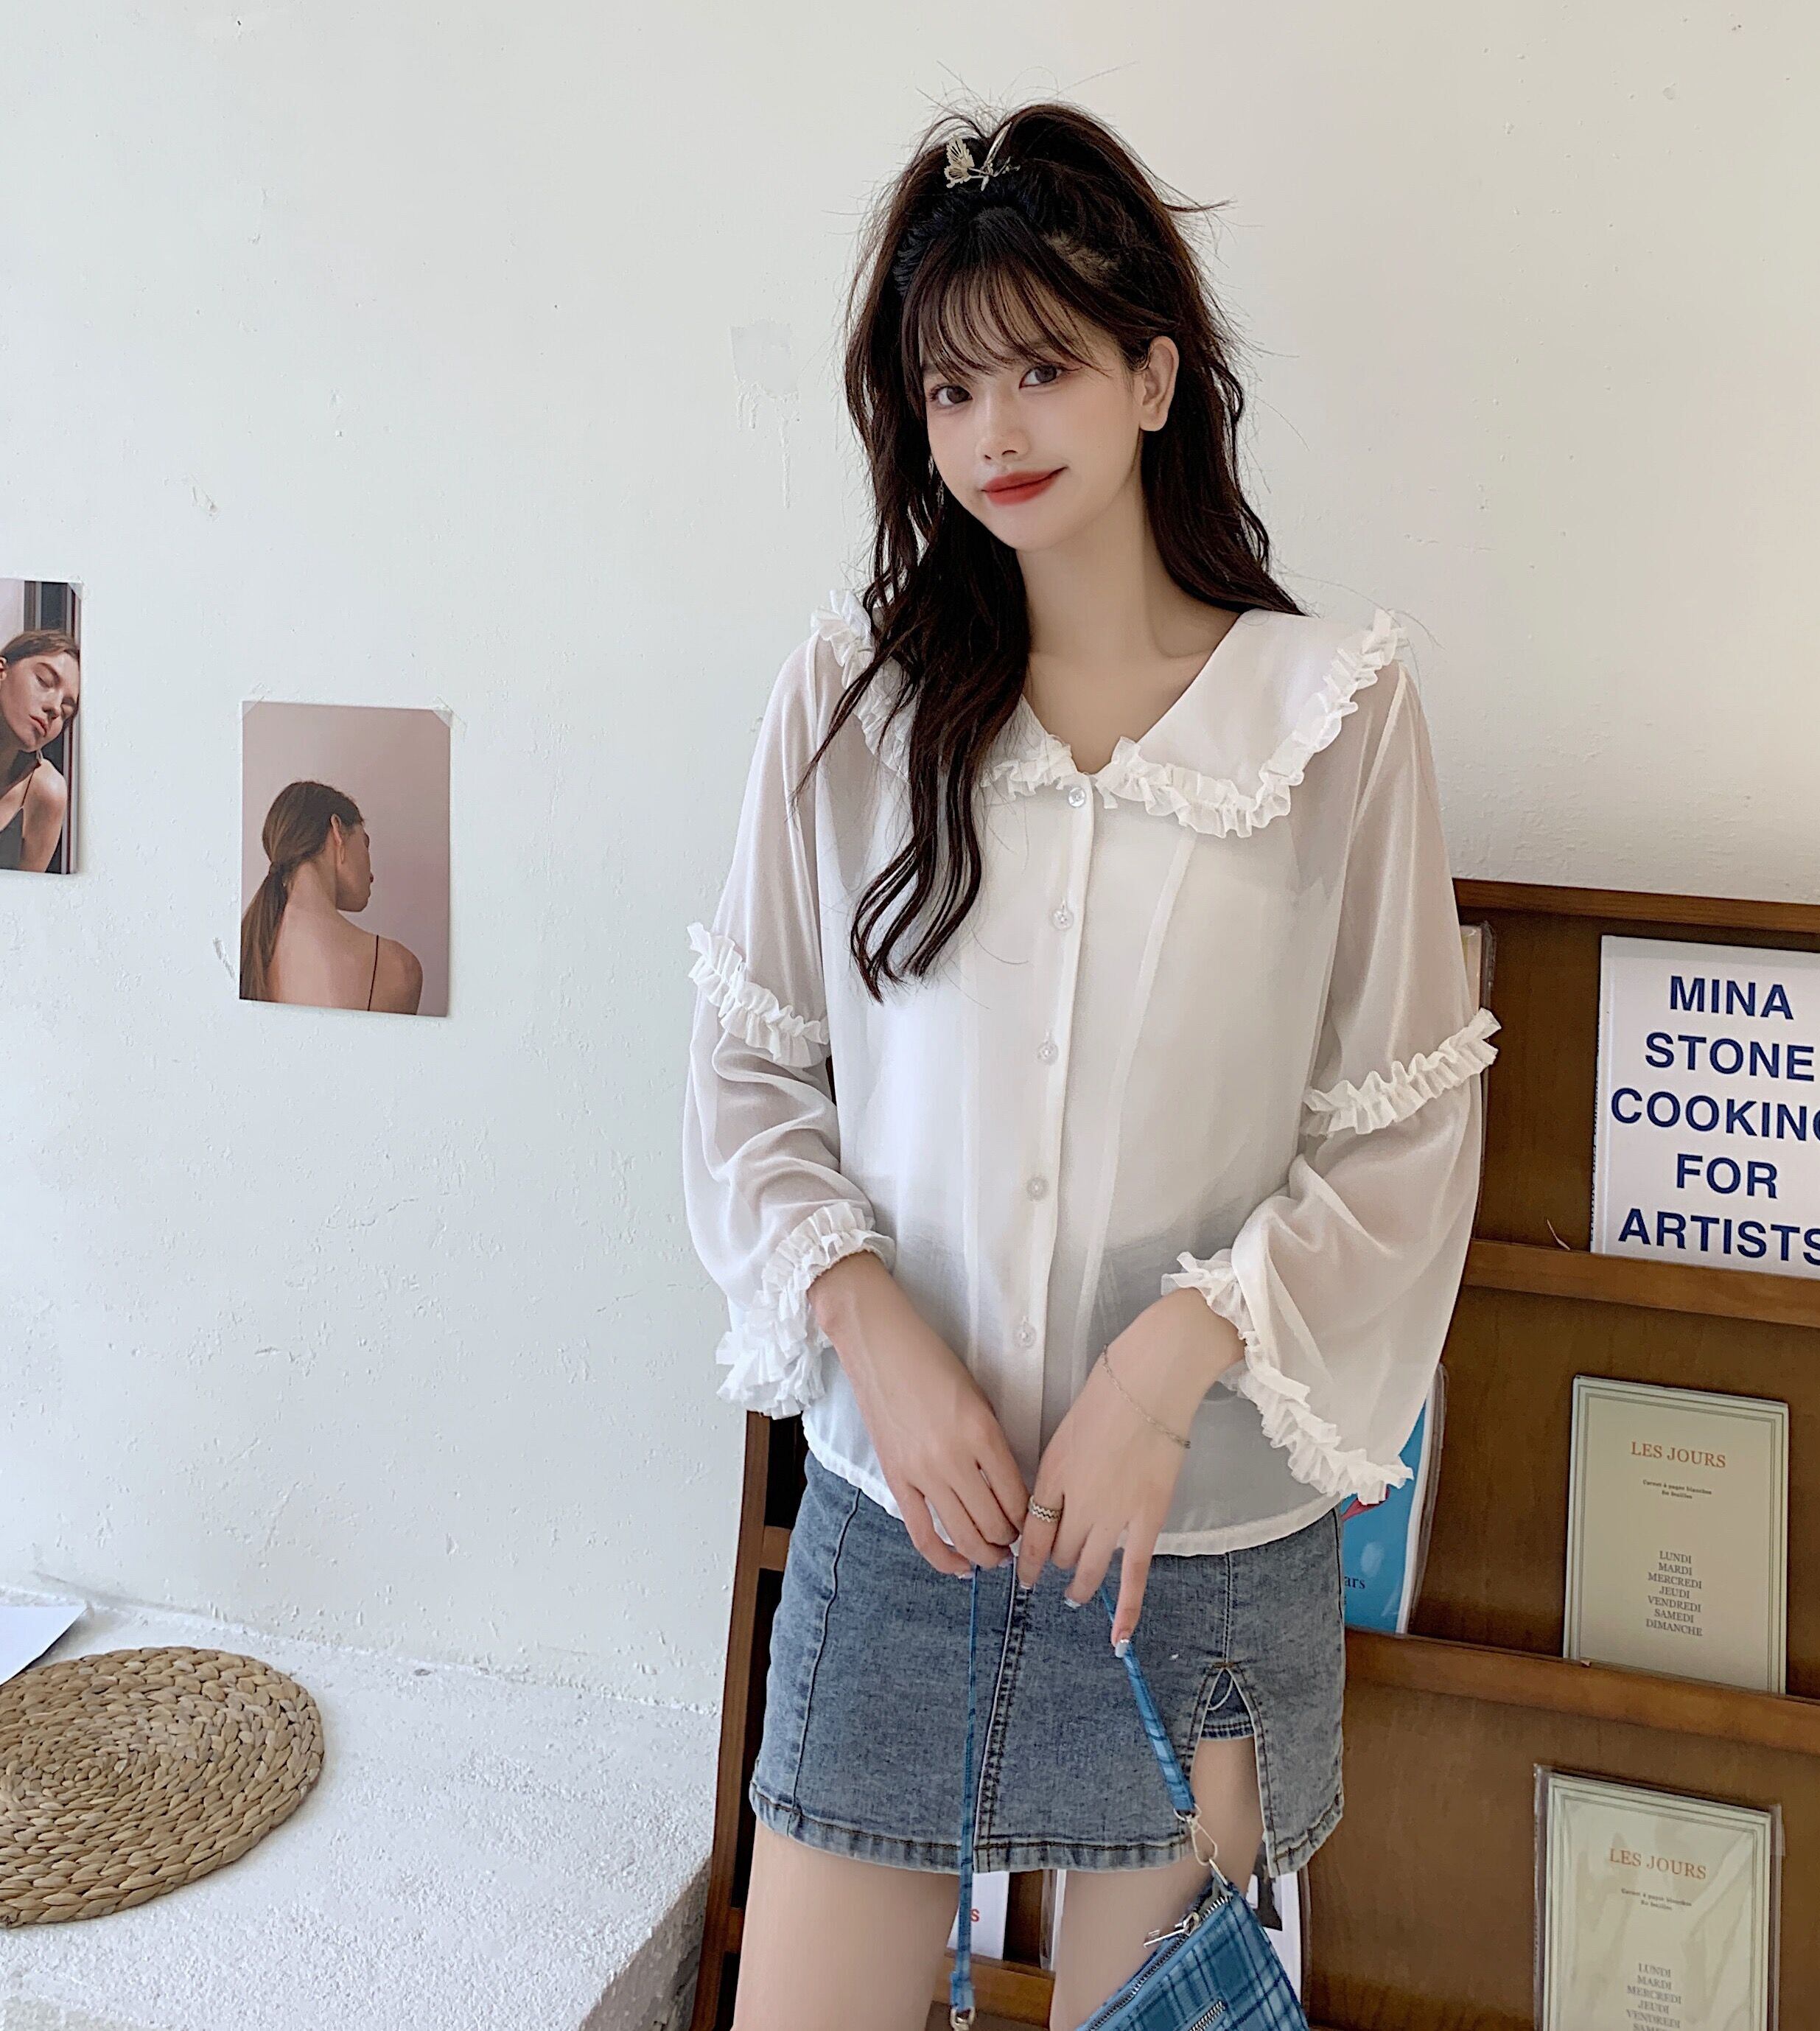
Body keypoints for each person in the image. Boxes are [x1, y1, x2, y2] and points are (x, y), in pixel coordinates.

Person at [682, 99, 1499, 2031]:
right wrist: (870, 1325)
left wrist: (1164, 1362)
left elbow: (1398, 1137)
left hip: (1191, 1545)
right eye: (949, 388)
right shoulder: (851, 703)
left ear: (1153, 375)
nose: (995, 430)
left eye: (1041, 366)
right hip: (902, 1514)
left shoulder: (1332, 718)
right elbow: (747, 1076)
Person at [239, 779, 423, 1013]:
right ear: (338, 831)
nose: (372, 874)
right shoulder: (396, 968)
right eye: (365, 843)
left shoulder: (247, 953)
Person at [0, 627, 81, 874]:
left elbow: (28, 897)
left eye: (66, 711)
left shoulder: (45, 791)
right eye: (44, 681)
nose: (55, 708)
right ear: (2, 671)